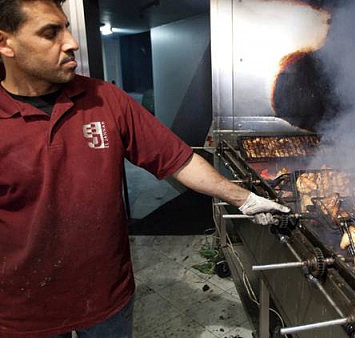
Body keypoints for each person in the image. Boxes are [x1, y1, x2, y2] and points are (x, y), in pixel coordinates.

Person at [0, 0, 289, 337]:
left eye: (66, 27)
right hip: (26, 312)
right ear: (6, 43)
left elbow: (178, 160)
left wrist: (245, 199)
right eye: (50, 33)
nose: (71, 41)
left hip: (107, 297)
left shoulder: (104, 98)